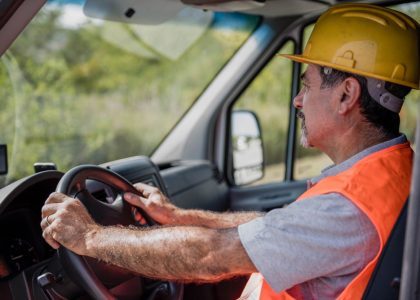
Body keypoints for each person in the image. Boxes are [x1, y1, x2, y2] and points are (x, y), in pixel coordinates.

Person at [40, 3, 419, 299]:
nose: (298, 100)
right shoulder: (395, 171)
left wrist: (89, 238)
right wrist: (176, 216)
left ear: (346, 95)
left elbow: (210, 255)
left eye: (308, 85)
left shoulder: (344, 209)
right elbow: (277, 228)